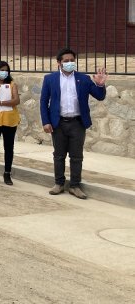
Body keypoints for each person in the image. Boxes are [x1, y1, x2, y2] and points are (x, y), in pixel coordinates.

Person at [41, 48, 107, 199]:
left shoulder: (83, 79)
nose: (70, 63)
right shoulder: (50, 79)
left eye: (72, 60)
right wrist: (46, 121)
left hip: (77, 123)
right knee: (59, 155)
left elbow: (99, 96)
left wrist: (100, 85)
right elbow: (44, 101)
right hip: (58, 123)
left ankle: (75, 186)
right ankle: (59, 184)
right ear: (59, 63)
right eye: (66, 61)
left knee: (77, 156)